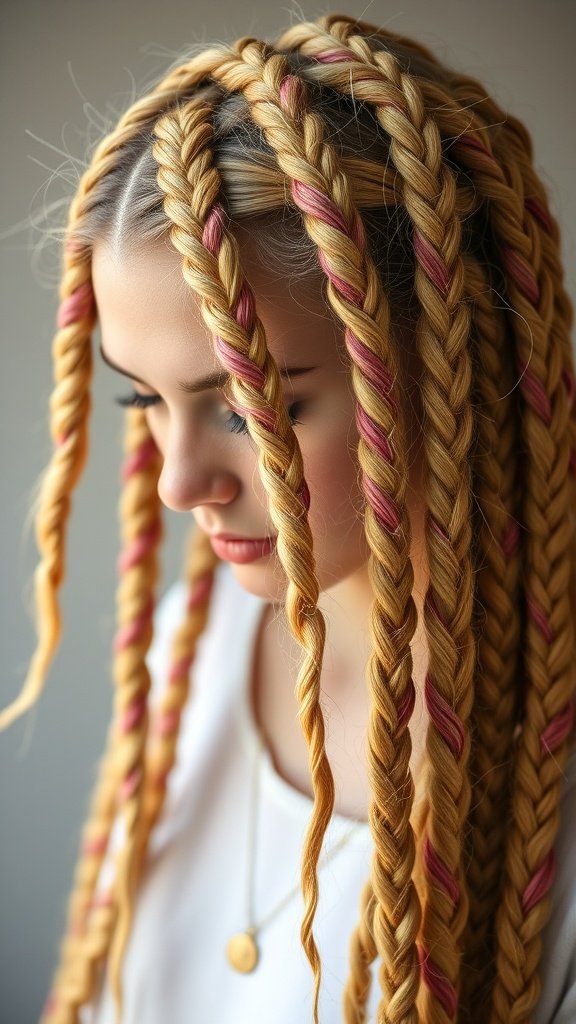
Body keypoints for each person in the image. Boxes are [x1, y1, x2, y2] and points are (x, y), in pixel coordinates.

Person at [2, 11, 575, 1024]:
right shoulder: (200, 643)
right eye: (143, 399)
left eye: (246, 407)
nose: (181, 483)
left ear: (443, 363)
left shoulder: (547, 778)